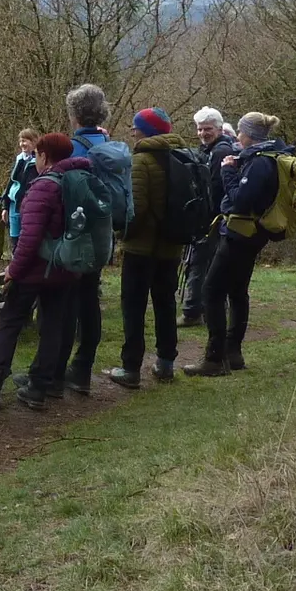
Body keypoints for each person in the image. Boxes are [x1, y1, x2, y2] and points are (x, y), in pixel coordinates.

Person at [0, 133, 85, 410]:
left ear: (44, 156)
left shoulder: (43, 187)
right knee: (52, 327)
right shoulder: (80, 183)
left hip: (33, 271)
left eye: (37, 154)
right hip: (65, 270)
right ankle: (38, 387)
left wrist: (13, 270)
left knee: (9, 323)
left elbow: (30, 238)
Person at [186, 113, 292, 377]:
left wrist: (228, 172)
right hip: (254, 233)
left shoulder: (260, 163)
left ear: (248, 134)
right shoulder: (267, 156)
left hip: (240, 234)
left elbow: (240, 199)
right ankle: (233, 353)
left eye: (241, 132)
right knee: (237, 290)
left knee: (211, 290)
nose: (238, 136)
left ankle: (214, 358)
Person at [108, 107, 189, 389]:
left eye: (136, 126)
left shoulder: (141, 160)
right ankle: (166, 364)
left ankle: (130, 368)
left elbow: (137, 208)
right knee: (166, 304)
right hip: (172, 245)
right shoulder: (184, 155)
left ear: (147, 130)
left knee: (134, 306)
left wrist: (121, 232)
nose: (132, 131)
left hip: (142, 248)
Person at [59, 83, 128, 392]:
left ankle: (56, 370)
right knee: (89, 299)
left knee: (66, 301)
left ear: (74, 114)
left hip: (76, 234)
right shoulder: (113, 147)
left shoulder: (72, 148)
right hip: (104, 235)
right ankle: (83, 367)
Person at [179, 107, 235, 328]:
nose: (203, 133)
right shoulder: (211, 149)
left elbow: (214, 187)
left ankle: (192, 311)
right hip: (215, 217)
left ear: (219, 128)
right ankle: (208, 308)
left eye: (208, 129)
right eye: (200, 129)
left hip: (213, 218)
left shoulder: (219, 152)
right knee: (209, 264)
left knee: (199, 264)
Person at [3, 128, 39, 250]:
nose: (22, 144)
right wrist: (5, 207)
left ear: (34, 142)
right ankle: (14, 265)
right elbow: (11, 184)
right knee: (15, 239)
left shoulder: (39, 162)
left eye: (25, 141)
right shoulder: (19, 160)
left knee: (27, 240)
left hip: (29, 206)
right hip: (14, 205)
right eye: (21, 141)